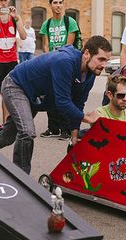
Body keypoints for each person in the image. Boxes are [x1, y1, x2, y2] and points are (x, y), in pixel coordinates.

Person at [0, 36, 112, 174]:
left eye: (107, 60)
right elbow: (62, 102)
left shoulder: (90, 74)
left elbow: (78, 104)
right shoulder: (65, 62)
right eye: (101, 59)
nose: (104, 65)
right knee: (27, 132)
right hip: (16, 86)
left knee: (7, 136)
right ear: (86, 53)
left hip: (33, 95)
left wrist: (74, 134)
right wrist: (86, 118)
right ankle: (21, 179)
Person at [39, 0, 81, 140]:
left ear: (64, 4)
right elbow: (46, 45)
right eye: (55, 2)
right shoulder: (47, 24)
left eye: (60, 2)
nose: (58, 5)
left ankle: (66, 129)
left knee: (64, 96)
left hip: (65, 63)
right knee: (50, 94)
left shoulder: (70, 22)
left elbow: (68, 46)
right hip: (51, 62)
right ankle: (53, 128)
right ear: (50, 5)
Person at [0, 0, 26, 132]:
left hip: (11, 60)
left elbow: (23, 36)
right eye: (0, 0)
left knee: (7, 92)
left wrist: (17, 18)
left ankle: (6, 122)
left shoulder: (14, 16)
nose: (2, 2)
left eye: (5, 0)